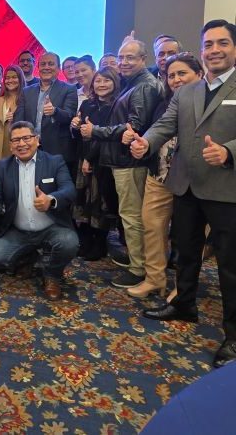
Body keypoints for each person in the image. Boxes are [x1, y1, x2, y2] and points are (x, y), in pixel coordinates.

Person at [130, 19, 236, 369]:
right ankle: (184, 304)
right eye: (208, 44)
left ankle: (234, 335)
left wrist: (229, 151)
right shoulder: (187, 91)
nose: (214, 50)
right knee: (186, 252)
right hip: (186, 186)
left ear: (234, 48)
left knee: (230, 265)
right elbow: (165, 125)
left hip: (226, 189)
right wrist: (146, 142)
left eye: (222, 43)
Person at [85, 39, 164, 288]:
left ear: (143, 60)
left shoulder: (144, 86)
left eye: (130, 57)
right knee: (129, 214)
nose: (124, 62)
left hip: (130, 161)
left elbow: (135, 126)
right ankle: (136, 259)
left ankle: (138, 268)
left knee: (132, 215)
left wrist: (95, 131)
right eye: (121, 57)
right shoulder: (134, 83)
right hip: (124, 160)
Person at [123, 53, 203, 298]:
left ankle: (183, 287)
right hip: (159, 175)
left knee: (189, 236)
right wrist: (143, 144)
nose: (176, 79)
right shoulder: (162, 103)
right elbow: (156, 131)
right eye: (171, 75)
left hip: (193, 179)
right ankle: (154, 279)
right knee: (152, 227)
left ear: (199, 74)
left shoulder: (208, 102)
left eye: (182, 73)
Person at [0, 121, 79, 299]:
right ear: (11, 145)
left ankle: (52, 275)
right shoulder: (2, 166)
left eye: (26, 138)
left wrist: (50, 199)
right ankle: (30, 256)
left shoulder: (54, 161)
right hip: (18, 230)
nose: (21, 143)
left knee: (69, 242)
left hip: (51, 227)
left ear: (37, 140)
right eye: (16, 140)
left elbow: (69, 190)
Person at [71, 67, 121, 260]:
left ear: (115, 82)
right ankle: (86, 241)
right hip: (82, 155)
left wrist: (90, 158)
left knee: (100, 202)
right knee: (83, 200)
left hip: (103, 160)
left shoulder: (117, 105)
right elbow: (80, 134)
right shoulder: (87, 104)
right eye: (98, 81)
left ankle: (100, 243)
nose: (101, 84)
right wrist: (75, 126)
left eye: (106, 80)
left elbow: (108, 135)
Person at [14, 52, 78, 168]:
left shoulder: (69, 89)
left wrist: (55, 111)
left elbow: (70, 115)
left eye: (51, 64)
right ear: (38, 68)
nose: (46, 67)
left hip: (58, 151)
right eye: (43, 64)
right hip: (30, 149)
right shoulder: (26, 91)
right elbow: (19, 120)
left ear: (58, 68)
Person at [0, 65, 25, 161]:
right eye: (7, 78)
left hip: (15, 147)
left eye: (14, 77)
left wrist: (15, 119)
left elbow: (29, 123)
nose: (10, 80)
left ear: (20, 79)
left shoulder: (25, 99)